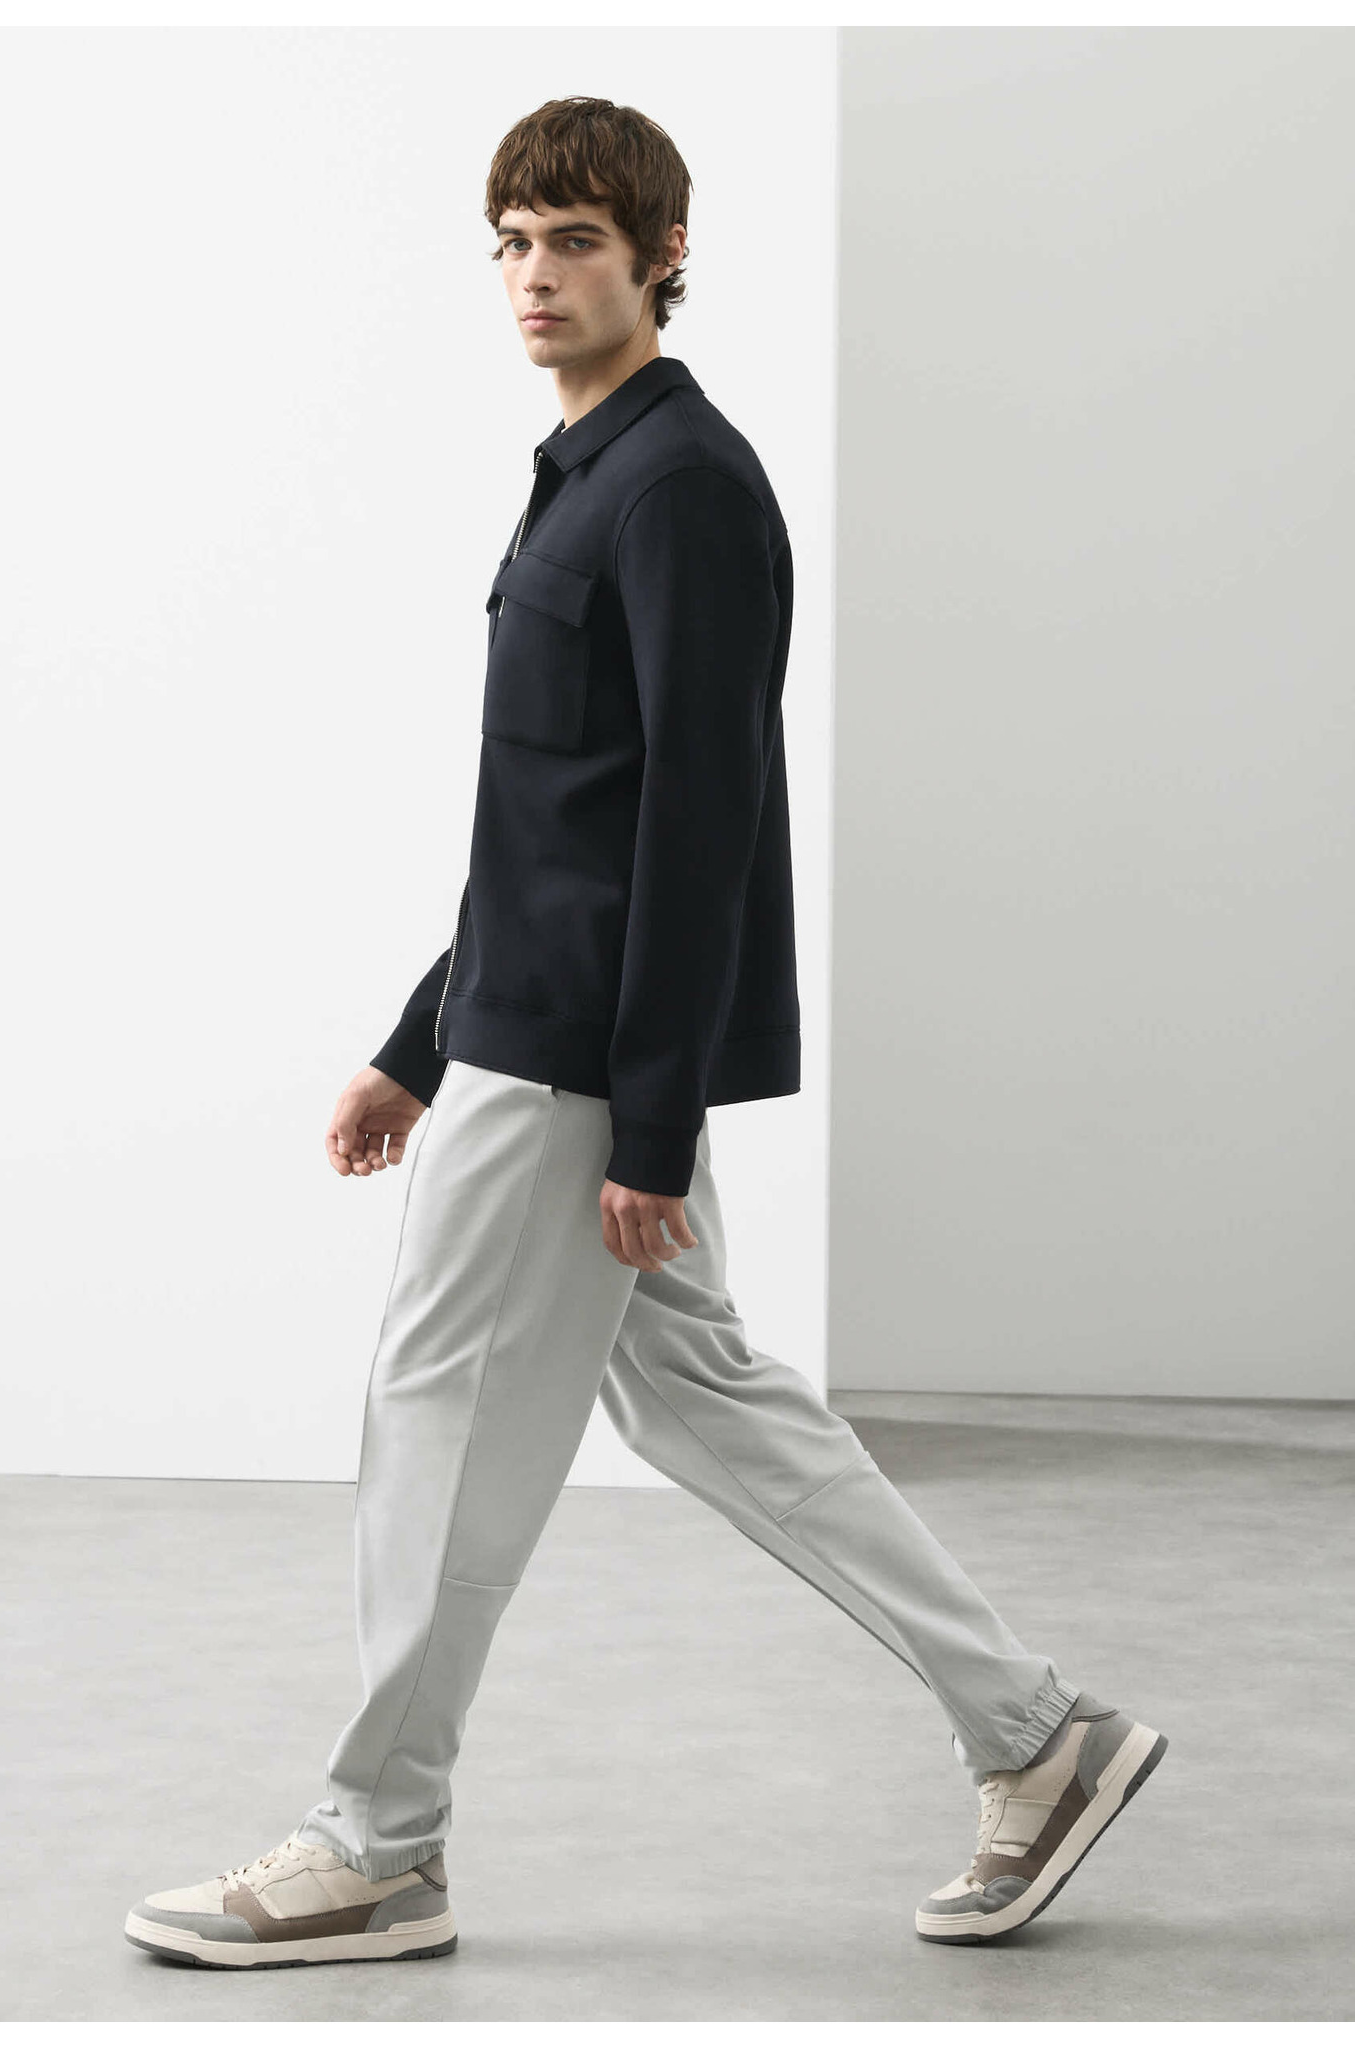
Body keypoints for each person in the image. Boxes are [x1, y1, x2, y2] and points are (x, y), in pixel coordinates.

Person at [124, 95, 1165, 1973]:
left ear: (664, 256)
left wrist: (650, 1126)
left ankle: (377, 1845)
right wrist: (421, 1039)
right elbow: (553, 819)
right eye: (515, 243)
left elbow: (700, 823)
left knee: (436, 1416)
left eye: (577, 242)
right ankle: (1039, 1733)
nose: (536, 276)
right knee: (701, 1394)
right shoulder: (588, 469)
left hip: (582, 1071)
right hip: (531, 1034)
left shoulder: (684, 486)